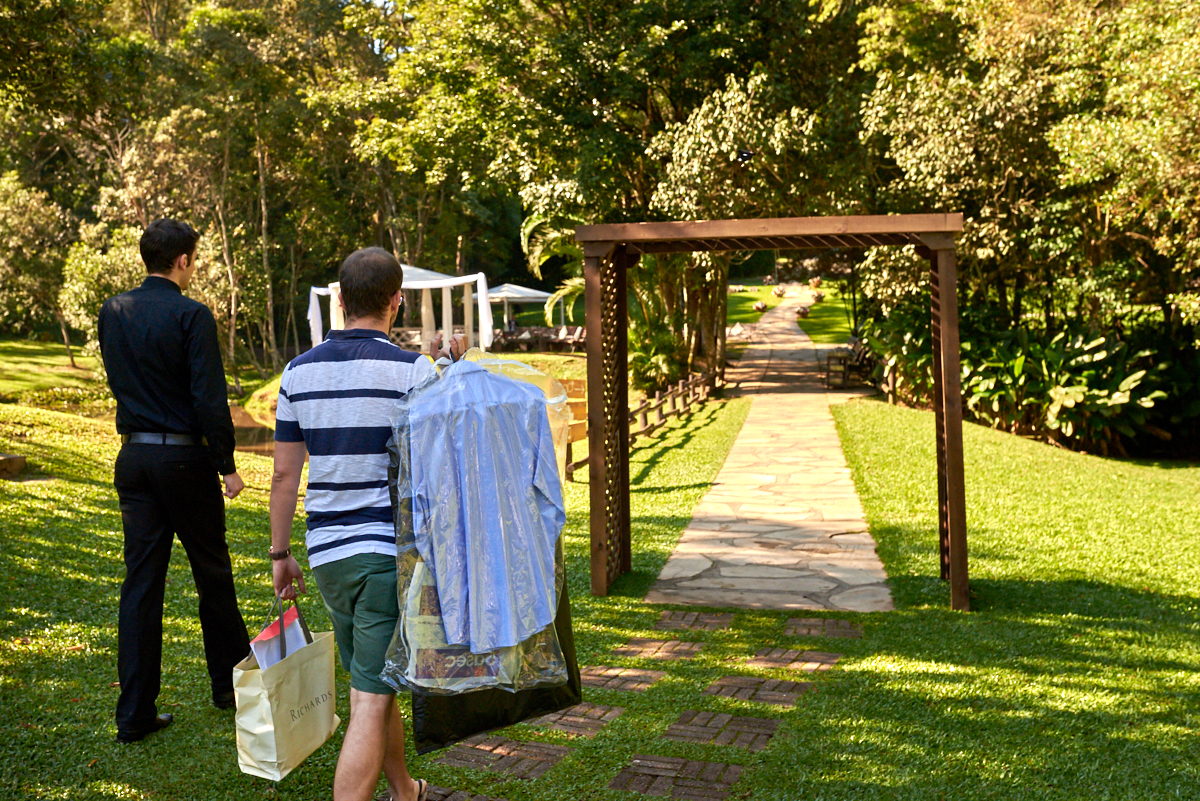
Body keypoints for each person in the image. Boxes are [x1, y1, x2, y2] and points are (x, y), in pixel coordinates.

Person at [269, 247, 463, 801]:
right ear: (395, 302)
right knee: (369, 699)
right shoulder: (412, 370)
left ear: (339, 299)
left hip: (327, 557)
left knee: (373, 681)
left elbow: (285, 477)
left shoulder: (297, 372)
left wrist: (281, 557)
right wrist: (449, 371)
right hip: (384, 559)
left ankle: (406, 789)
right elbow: (440, 463)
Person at [98, 218, 251, 743]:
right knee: (212, 571)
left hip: (134, 459)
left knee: (141, 584)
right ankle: (231, 688)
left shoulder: (112, 312)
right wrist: (226, 464)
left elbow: (121, 379)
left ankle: (135, 714)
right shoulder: (191, 314)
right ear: (183, 260)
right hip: (184, 462)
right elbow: (208, 396)